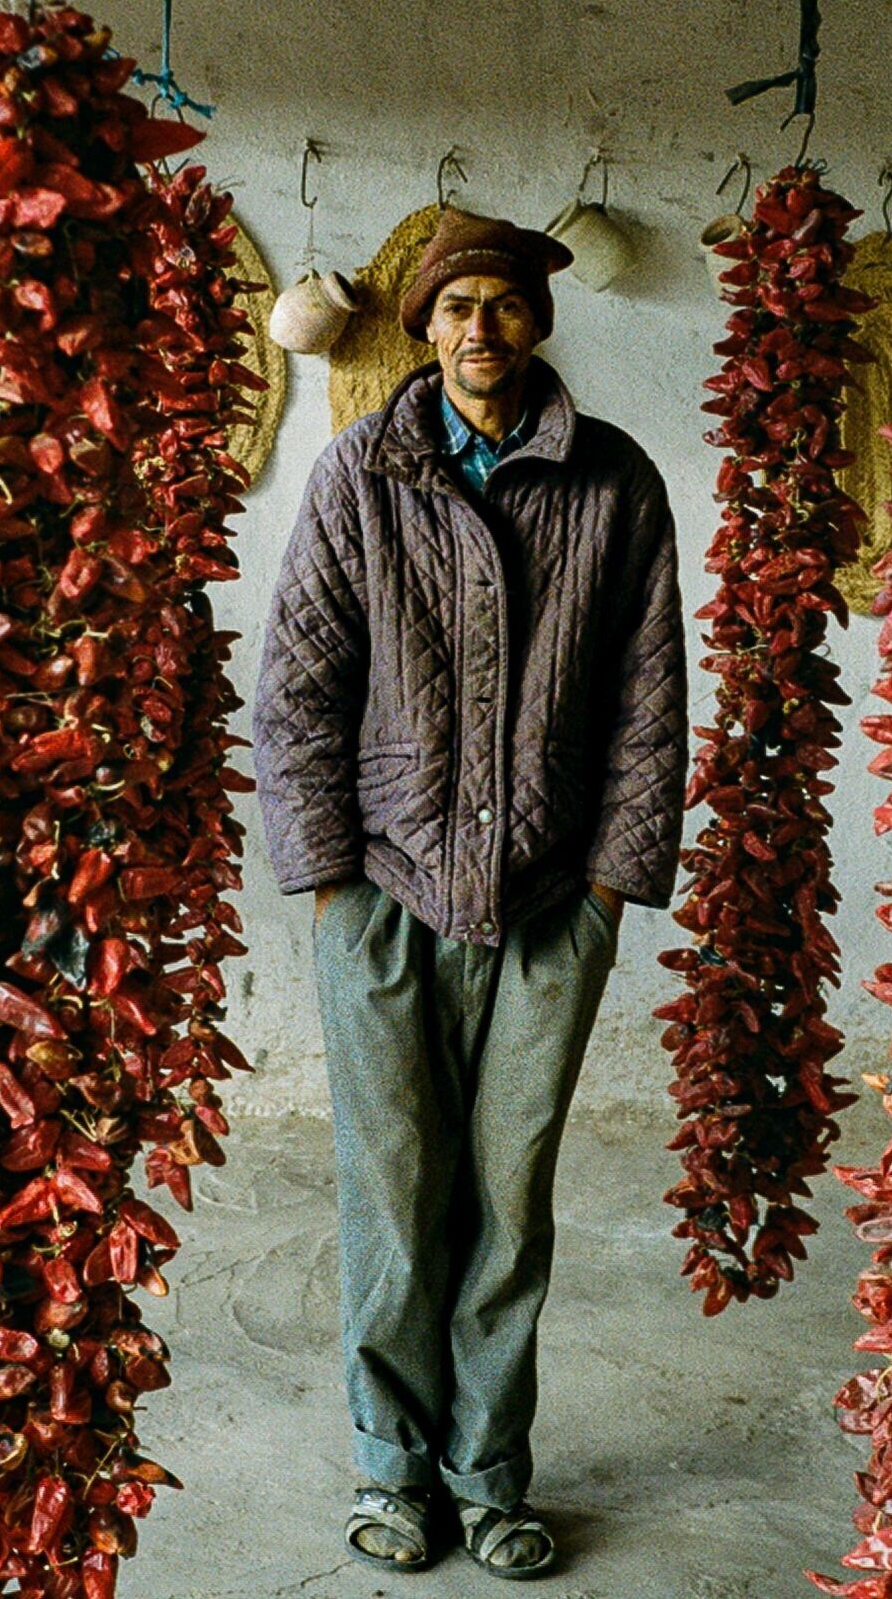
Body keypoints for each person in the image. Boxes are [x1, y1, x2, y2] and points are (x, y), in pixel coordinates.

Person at [252, 207, 687, 1579]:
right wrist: (323, 880)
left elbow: (647, 696)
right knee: (393, 1187)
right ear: (422, 329)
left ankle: (488, 1474)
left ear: (536, 322)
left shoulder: (612, 481)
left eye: (501, 305)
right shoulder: (358, 475)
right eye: (453, 308)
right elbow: (298, 687)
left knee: (509, 1194)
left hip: (553, 895)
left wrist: (615, 882)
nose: (478, 329)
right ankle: (392, 1470)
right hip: (382, 884)